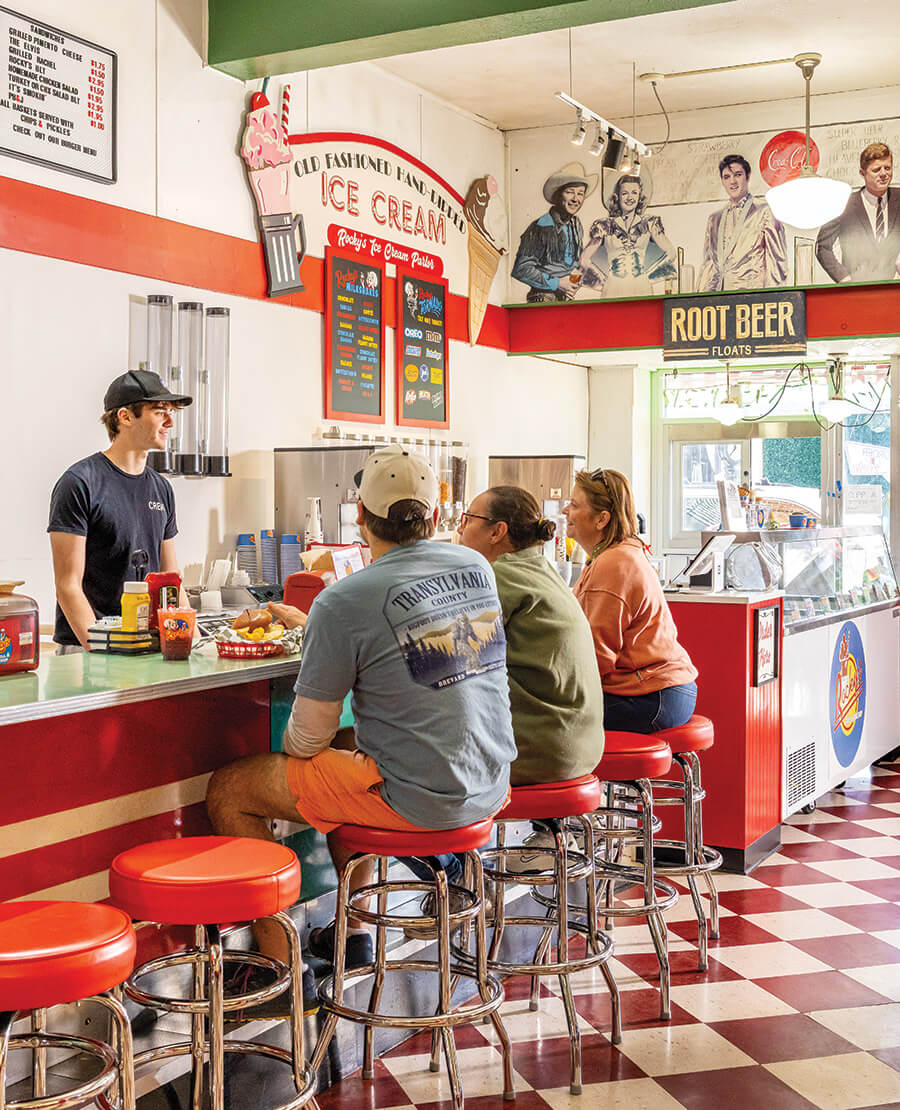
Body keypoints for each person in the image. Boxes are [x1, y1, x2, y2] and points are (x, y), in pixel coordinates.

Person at [206, 445, 517, 972]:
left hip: (419, 799)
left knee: (231, 790)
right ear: (437, 514)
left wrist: (324, 643)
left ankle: (282, 973)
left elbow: (305, 742)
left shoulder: (343, 599)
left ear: (360, 518)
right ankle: (353, 933)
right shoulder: (475, 566)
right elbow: (423, 644)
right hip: (492, 782)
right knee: (350, 760)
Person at [404, 486, 606, 897]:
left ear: (497, 531)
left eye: (468, 520)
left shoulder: (500, 576)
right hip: (580, 744)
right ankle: (508, 849)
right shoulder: (539, 568)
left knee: (402, 769)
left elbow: (440, 652)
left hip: (547, 751)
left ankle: (452, 874)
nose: (460, 529)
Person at [47, 370, 192, 652]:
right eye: (160, 411)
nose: (170, 422)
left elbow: (170, 582)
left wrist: (194, 644)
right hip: (88, 650)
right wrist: (101, 652)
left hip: (147, 648)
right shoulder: (79, 482)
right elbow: (68, 586)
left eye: (171, 412)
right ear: (125, 417)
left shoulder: (161, 489)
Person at [564, 468, 698, 733]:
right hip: (668, 691)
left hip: (653, 697)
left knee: (541, 716)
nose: (566, 511)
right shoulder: (614, 555)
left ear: (601, 519)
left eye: (575, 505)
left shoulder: (613, 564)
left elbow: (596, 657)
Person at [697, 154, 787, 292]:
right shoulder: (714, 219)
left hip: (752, 298)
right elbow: (708, 265)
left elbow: (777, 263)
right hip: (717, 300)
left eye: (738, 175)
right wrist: (700, 299)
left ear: (748, 176)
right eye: (727, 177)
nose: (732, 181)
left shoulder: (766, 212)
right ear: (722, 181)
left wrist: (774, 300)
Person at [511, 162, 597, 302]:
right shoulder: (540, 227)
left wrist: (572, 286)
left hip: (565, 298)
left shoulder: (576, 225)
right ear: (558, 195)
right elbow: (521, 269)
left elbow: (575, 265)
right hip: (542, 297)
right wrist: (557, 284)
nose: (575, 199)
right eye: (569, 192)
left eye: (580, 193)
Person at [816, 142, 900, 283]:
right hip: (857, 293)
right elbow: (822, 247)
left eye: (887, 168)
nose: (884, 174)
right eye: (876, 170)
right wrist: (844, 279)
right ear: (862, 173)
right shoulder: (843, 203)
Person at [581, 174, 677, 298]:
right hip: (613, 288)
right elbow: (584, 259)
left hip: (642, 287)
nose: (630, 197)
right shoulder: (604, 226)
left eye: (634, 193)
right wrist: (602, 280)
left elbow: (671, 252)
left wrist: (649, 275)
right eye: (625, 193)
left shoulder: (649, 223)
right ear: (618, 197)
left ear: (639, 197)